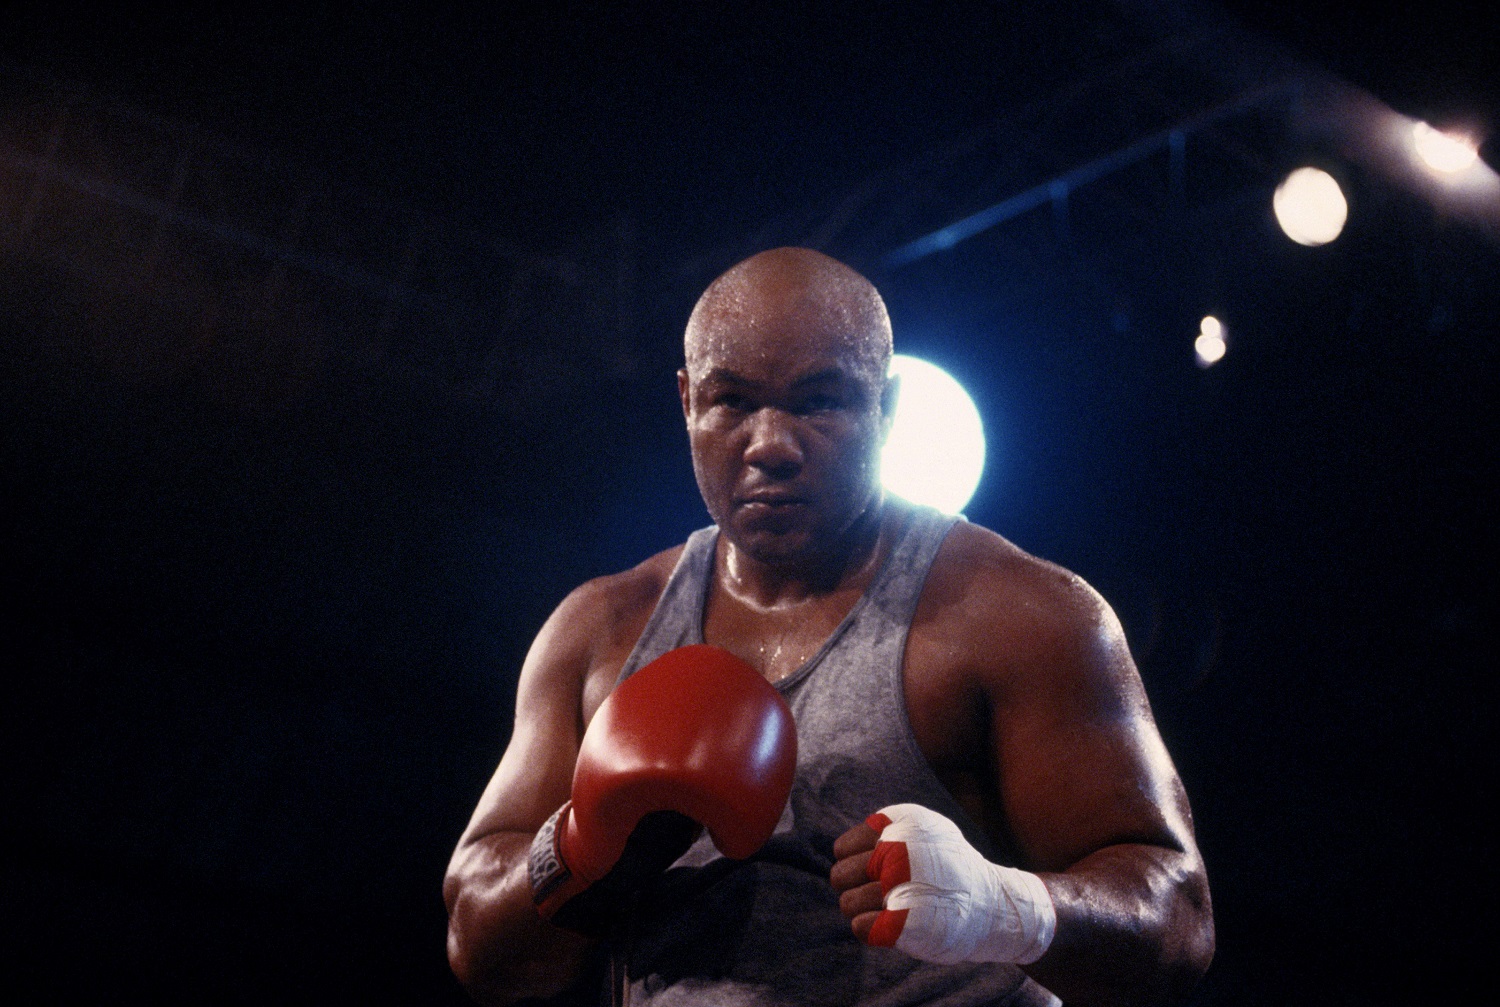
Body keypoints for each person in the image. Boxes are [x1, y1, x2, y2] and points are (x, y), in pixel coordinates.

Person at [444, 247, 1214, 1006]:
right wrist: (582, 846)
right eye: (733, 401)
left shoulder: (1016, 616)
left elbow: (1177, 919)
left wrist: (1005, 908)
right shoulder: (600, 631)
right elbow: (480, 949)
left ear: (887, 407)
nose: (771, 444)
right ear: (686, 401)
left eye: (818, 401)